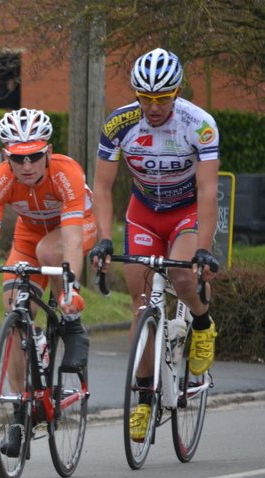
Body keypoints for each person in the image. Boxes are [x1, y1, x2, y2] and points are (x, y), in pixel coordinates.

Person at [89, 48, 220, 441]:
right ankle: (144, 398)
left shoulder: (199, 124)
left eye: (162, 98)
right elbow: (103, 185)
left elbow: (209, 188)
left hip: (185, 213)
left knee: (181, 275)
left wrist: (205, 248)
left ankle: (201, 321)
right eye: (145, 98)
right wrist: (104, 239)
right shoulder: (120, 124)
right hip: (143, 212)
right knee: (142, 304)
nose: (153, 106)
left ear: (176, 92)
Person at [0, 108, 95, 457]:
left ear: (48, 152)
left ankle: (71, 323)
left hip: (74, 231)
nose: (27, 166)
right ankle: (21, 413)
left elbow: (73, 243)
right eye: (19, 159)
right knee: (14, 310)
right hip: (27, 237)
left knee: (51, 250)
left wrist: (72, 288)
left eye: (35, 156)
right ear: (7, 156)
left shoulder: (67, 174)